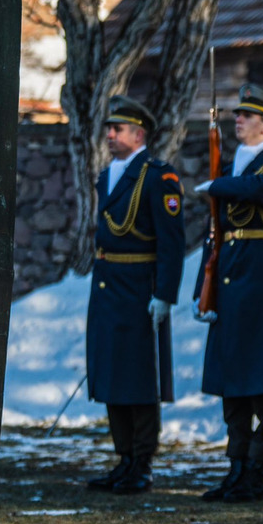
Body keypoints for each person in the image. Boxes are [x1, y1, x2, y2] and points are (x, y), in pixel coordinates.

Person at [192, 83, 263, 503]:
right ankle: (236, 466)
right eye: (237, 114)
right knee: (233, 376)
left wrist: (218, 186)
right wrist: (202, 287)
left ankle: (258, 470)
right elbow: (214, 233)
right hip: (230, 269)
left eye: (247, 116)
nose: (238, 120)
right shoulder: (230, 166)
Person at [85, 95, 186, 494]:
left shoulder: (158, 176)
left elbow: (171, 242)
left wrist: (165, 293)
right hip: (109, 284)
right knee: (112, 374)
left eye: (118, 128)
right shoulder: (108, 174)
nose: (109, 135)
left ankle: (141, 462)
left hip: (139, 286)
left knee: (140, 379)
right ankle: (123, 457)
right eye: (109, 128)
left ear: (138, 134)